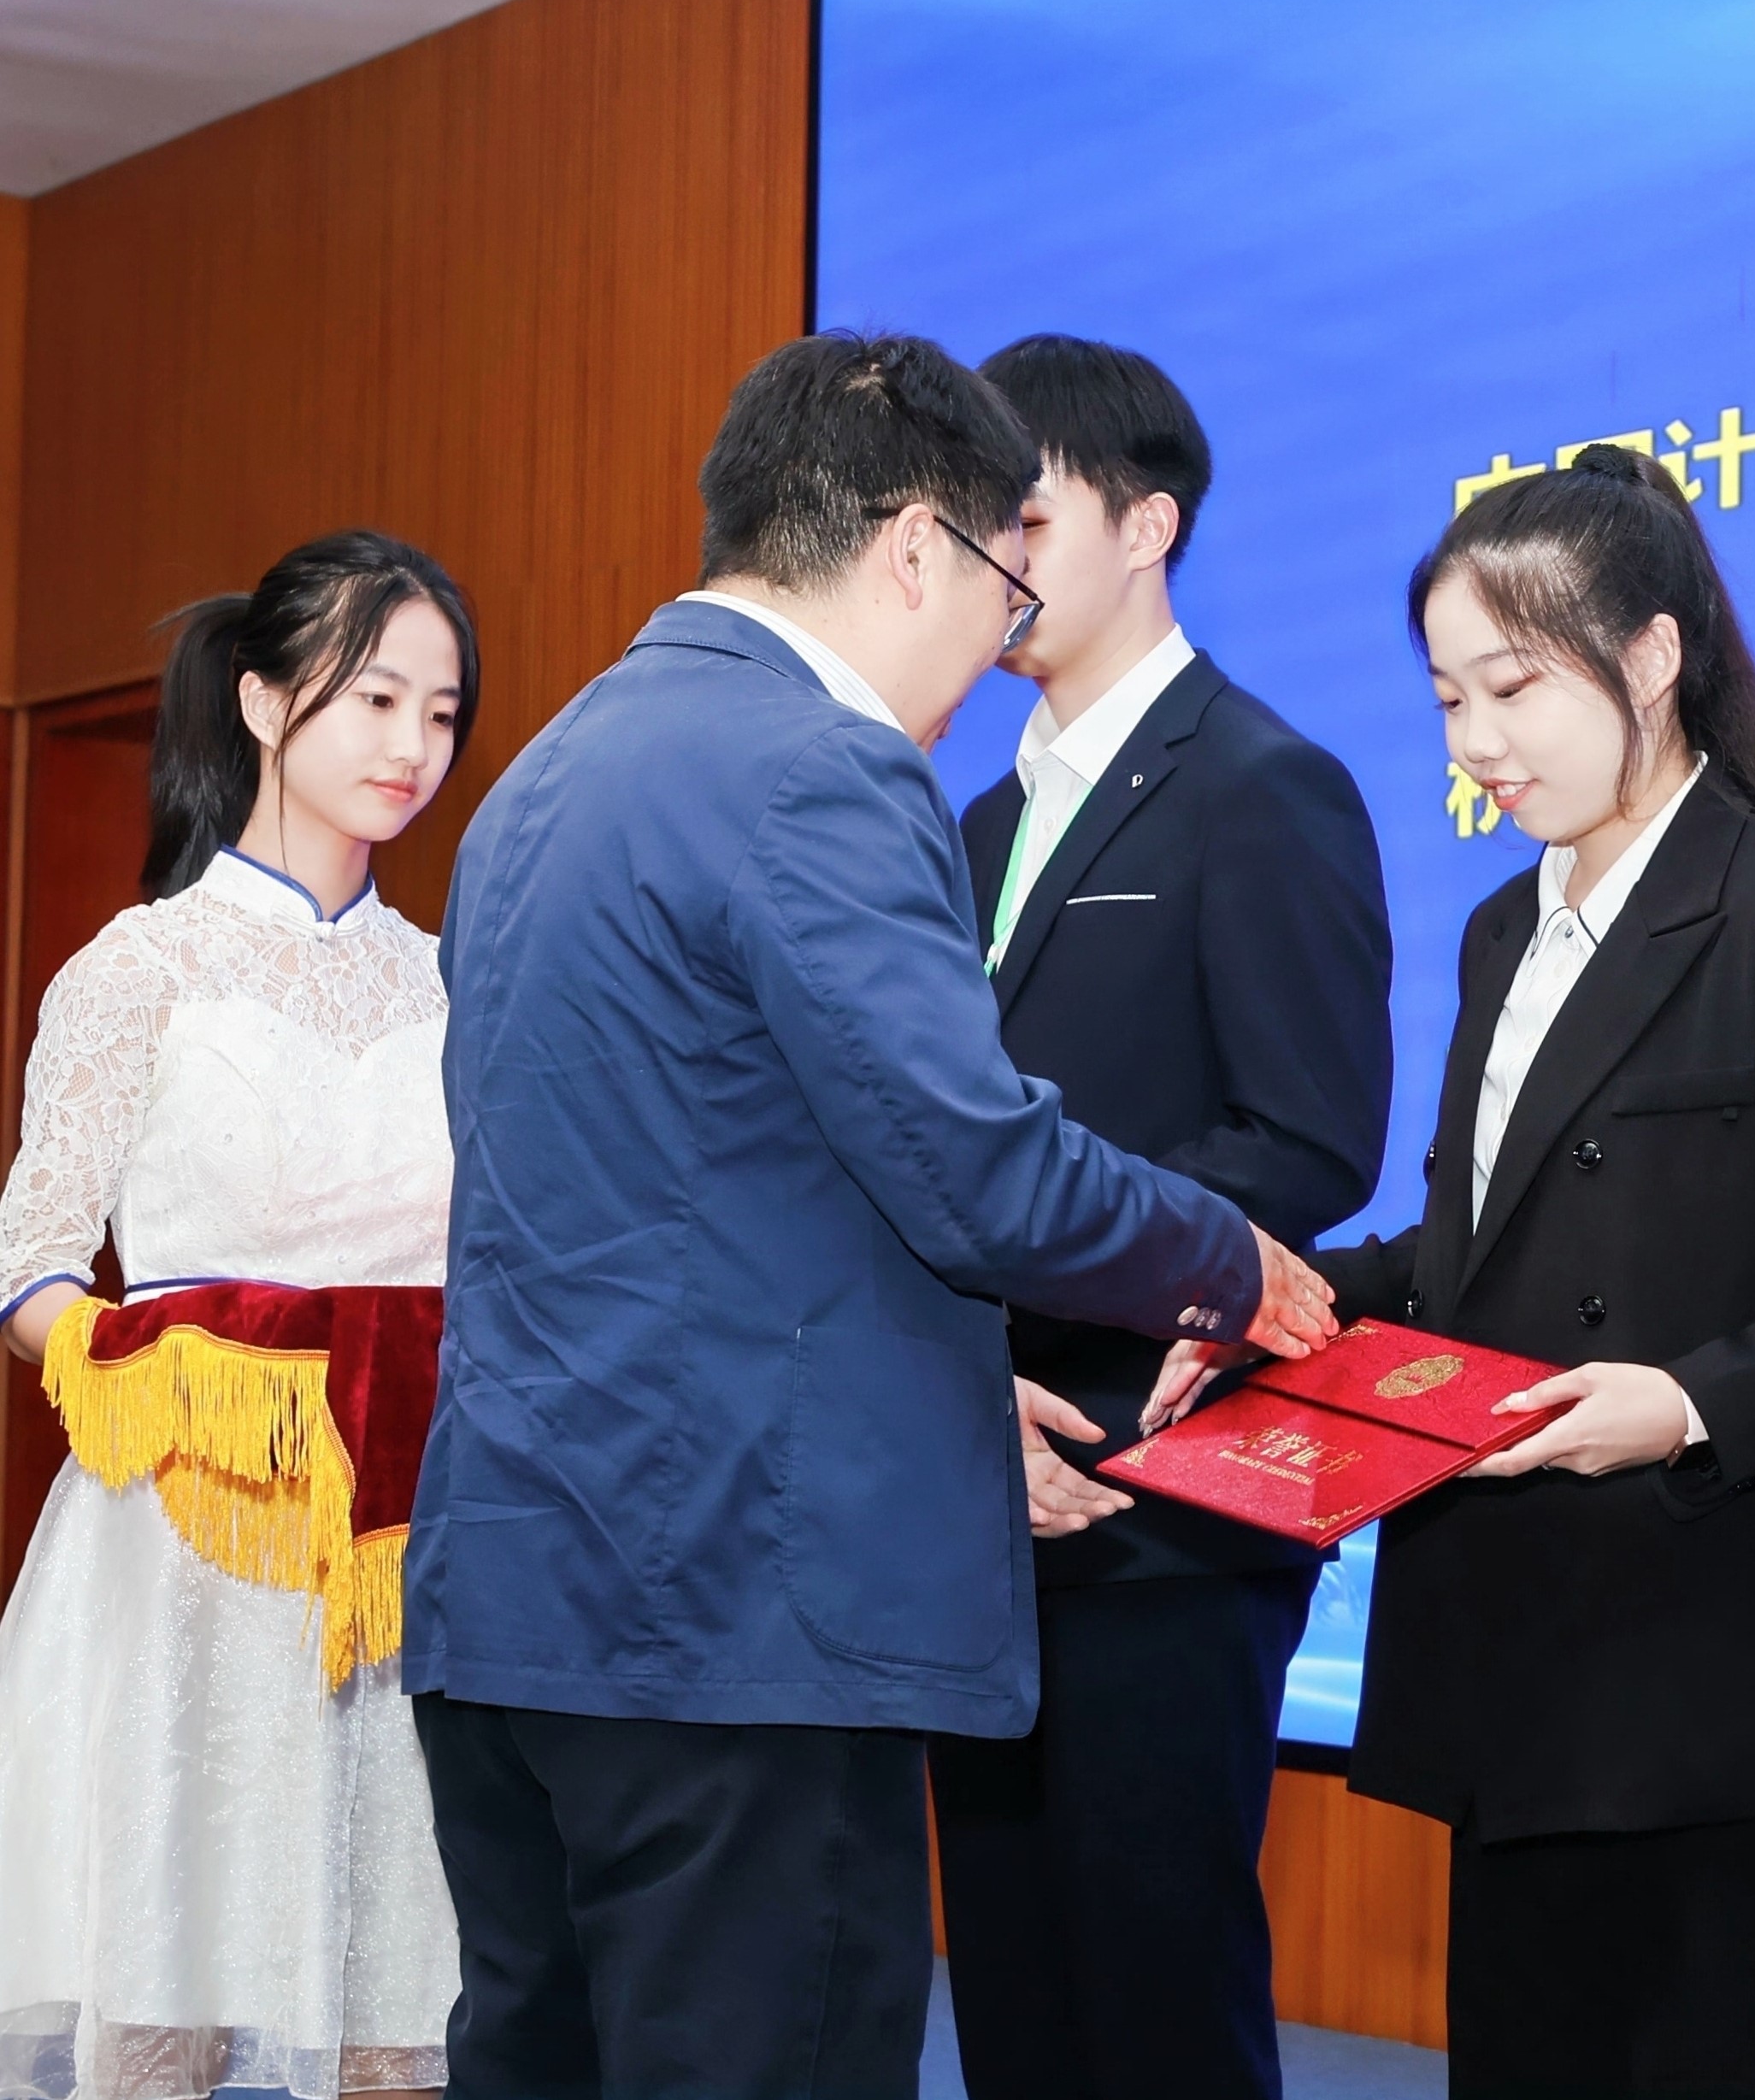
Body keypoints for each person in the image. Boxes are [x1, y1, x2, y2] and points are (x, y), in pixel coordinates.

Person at [401, 332, 1339, 2099]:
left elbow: (697, 1191)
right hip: (743, 1624)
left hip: (520, 1598)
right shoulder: (813, 767)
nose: (997, 644)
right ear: (916, 546)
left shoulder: (544, 771)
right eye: (998, 586)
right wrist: (1229, 1263)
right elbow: (976, 1165)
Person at [1157, 443, 1755, 2100]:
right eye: (1447, 700)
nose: (1474, 744)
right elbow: (1477, 1251)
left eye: (1510, 688)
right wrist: (1271, 1296)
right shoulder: (1502, 929)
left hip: (1698, 1654)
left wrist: (1687, 1404)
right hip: (1512, 1643)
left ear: (1651, 658)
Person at [930, 334, 1393, 2100]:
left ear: (1147, 525)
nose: (995, 556)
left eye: (1029, 515)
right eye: (975, 520)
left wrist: (1070, 1279)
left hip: (1166, 1490)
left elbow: (1307, 1139)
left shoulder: (1260, 784)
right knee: (1012, 1994)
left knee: (1155, 1987)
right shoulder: (971, 821)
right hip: (980, 1476)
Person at [0, 532, 481, 2100]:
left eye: (443, 714)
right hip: (184, 1551)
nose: (412, 747)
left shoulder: (454, 986)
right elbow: (31, 1260)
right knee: (160, 2025)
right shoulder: (139, 967)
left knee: (404, 2030)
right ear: (267, 702)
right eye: (376, 699)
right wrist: (148, 1368)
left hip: (396, 1557)